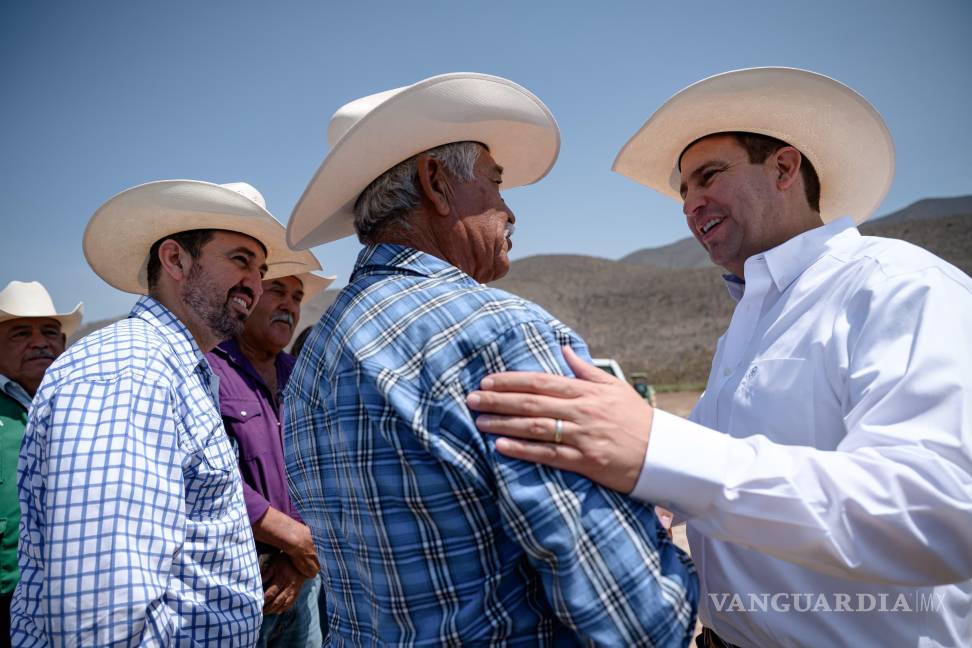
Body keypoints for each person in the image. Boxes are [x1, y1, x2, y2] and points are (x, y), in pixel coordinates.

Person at [466, 67, 972, 646]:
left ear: (785, 168)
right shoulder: (746, 327)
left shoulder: (902, 287)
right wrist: (656, 495)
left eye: (708, 177)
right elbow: (701, 464)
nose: (691, 204)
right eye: (684, 192)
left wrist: (657, 452)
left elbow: (938, 516)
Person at [283, 72, 698, 646]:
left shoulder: (313, 357)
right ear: (435, 182)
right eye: (495, 184)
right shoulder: (500, 331)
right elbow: (633, 614)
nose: (509, 210)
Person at [13, 180, 317, 646]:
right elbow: (103, 612)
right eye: (240, 260)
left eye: (260, 269)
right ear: (175, 260)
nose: (254, 284)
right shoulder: (130, 372)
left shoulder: (172, 370)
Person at [206, 218, 334, 647]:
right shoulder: (208, 368)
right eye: (278, 291)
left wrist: (298, 562)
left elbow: (326, 468)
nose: (290, 305)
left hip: (302, 574)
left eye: (297, 297)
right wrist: (291, 539)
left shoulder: (301, 374)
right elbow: (207, 476)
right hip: (234, 580)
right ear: (252, 294)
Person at [0, 280, 81, 646]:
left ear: (64, 345)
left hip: (68, 592)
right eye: (21, 333)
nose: (39, 342)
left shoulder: (83, 404)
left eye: (50, 332)